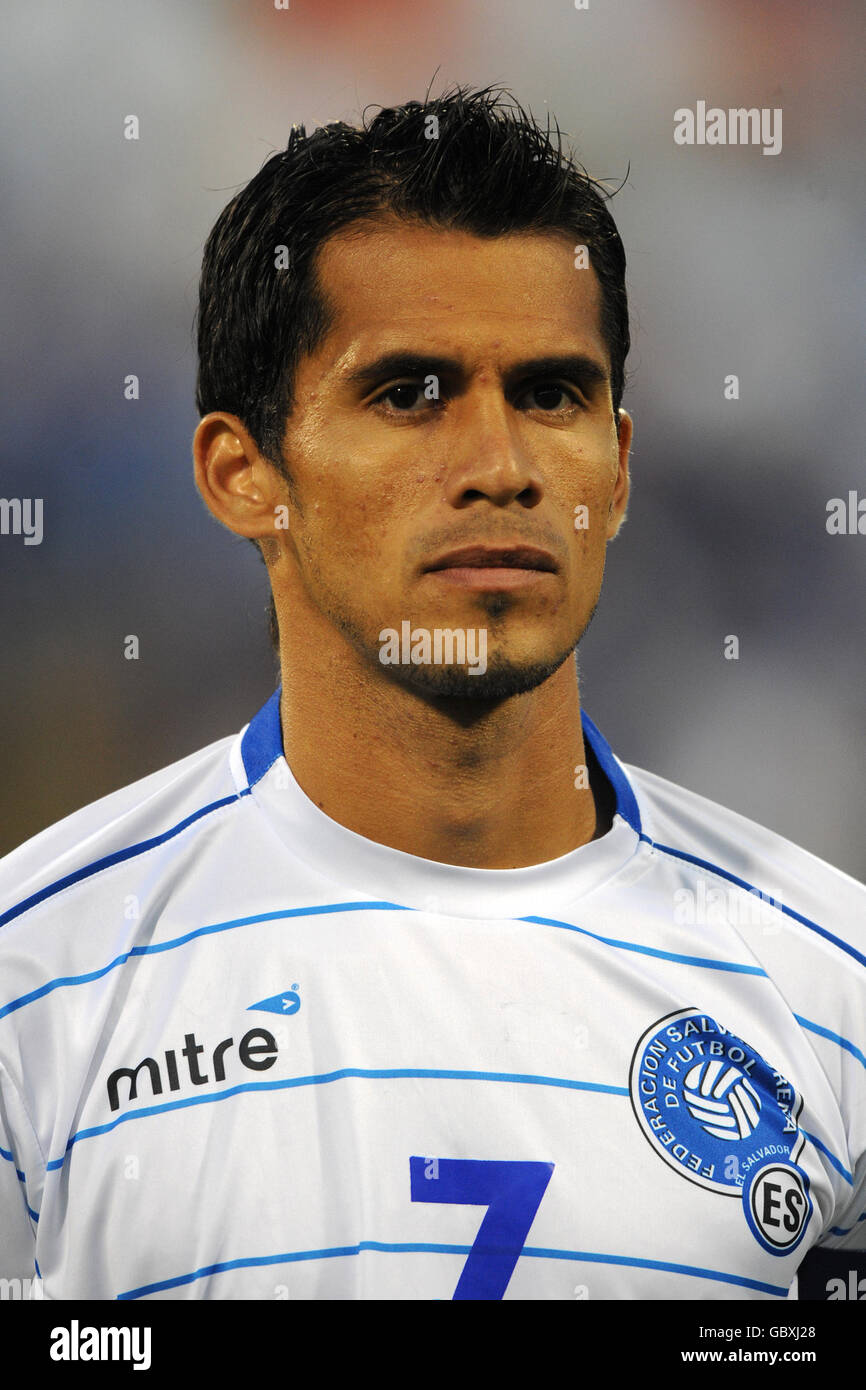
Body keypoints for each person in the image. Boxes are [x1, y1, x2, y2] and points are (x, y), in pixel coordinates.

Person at [1, 86, 863, 1302]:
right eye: (409, 392)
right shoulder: (36, 981)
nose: (499, 468)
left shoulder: (831, 989)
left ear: (616, 472)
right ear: (244, 474)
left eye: (551, 394)